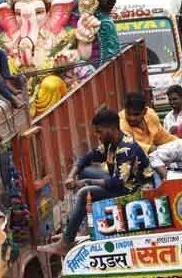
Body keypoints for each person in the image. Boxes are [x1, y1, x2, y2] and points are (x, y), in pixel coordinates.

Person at [38, 108, 153, 256]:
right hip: (122, 182)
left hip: (134, 191)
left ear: (111, 129)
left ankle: (66, 242)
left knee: (84, 192)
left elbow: (116, 183)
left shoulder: (126, 149)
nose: (97, 135)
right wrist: (71, 176)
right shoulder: (111, 142)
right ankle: (72, 228)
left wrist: (86, 182)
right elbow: (87, 157)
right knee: (84, 171)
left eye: (99, 132)